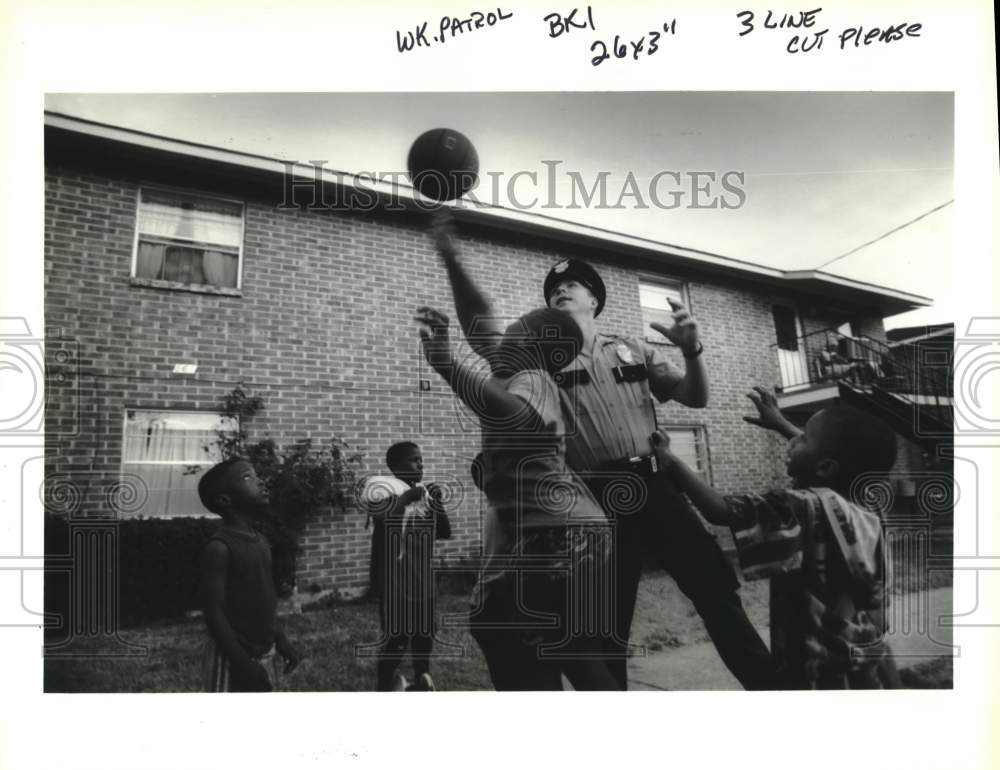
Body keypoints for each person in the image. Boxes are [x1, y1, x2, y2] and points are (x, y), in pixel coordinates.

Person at [420, 216, 619, 690]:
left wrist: (449, 366)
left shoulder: (531, 381)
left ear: (536, 347)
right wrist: (450, 256)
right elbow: (479, 322)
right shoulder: (523, 367)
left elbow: (518, 417)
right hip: (573, 533)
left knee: (503, 627)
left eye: (513, 332)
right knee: (566, 650)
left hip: (559, 535)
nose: (499, 337)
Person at [651, 388, 898, 688]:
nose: (793, 440)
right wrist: (782, 424)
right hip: (865, 657)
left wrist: (670, 458)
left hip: (817, 670)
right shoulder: (868, 503)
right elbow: (838, 458)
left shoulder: (800, 507)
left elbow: (719, 510)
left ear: (824, 466)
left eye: (803, 438)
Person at [198, 457, 300, 692]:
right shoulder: (220, 547)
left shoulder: (261, 541)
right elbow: (213, 613)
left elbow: (264, 597)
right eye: (248, 477)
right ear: (225, 499)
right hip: (231, 658)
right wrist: (242, 663)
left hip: (264, 650)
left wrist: (281, 638)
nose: (260, 482)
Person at [359, 441, 451, 692]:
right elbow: (383, 518)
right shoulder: (383, 492)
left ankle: (424, 678)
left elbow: (444, 532)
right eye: (414, 459)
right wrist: (408, 497)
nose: (420, 464)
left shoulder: (423, 497)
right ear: (395, 466)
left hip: (423, 581)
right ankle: (385, 685)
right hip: (396, 584)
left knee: (424, 635)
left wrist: (437, 503)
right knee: (397, 638)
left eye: (421, 459)